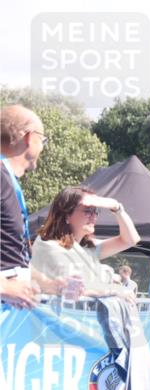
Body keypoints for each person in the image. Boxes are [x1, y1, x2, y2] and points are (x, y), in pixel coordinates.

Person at [1, 103, 62, 306]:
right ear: (29, 137)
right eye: (42, 139)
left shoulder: (8, 179)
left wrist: (51, 284)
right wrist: (5, 287)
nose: (43, 147)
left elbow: (13, 257)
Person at [31, 186, 140, 297]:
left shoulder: (87, 248)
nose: (94, 217)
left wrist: (116, 207)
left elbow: (130, 240)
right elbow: (78, 289)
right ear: (67, 215)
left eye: (96, 211)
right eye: (88, 211)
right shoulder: (48, 246)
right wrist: (115, 290)